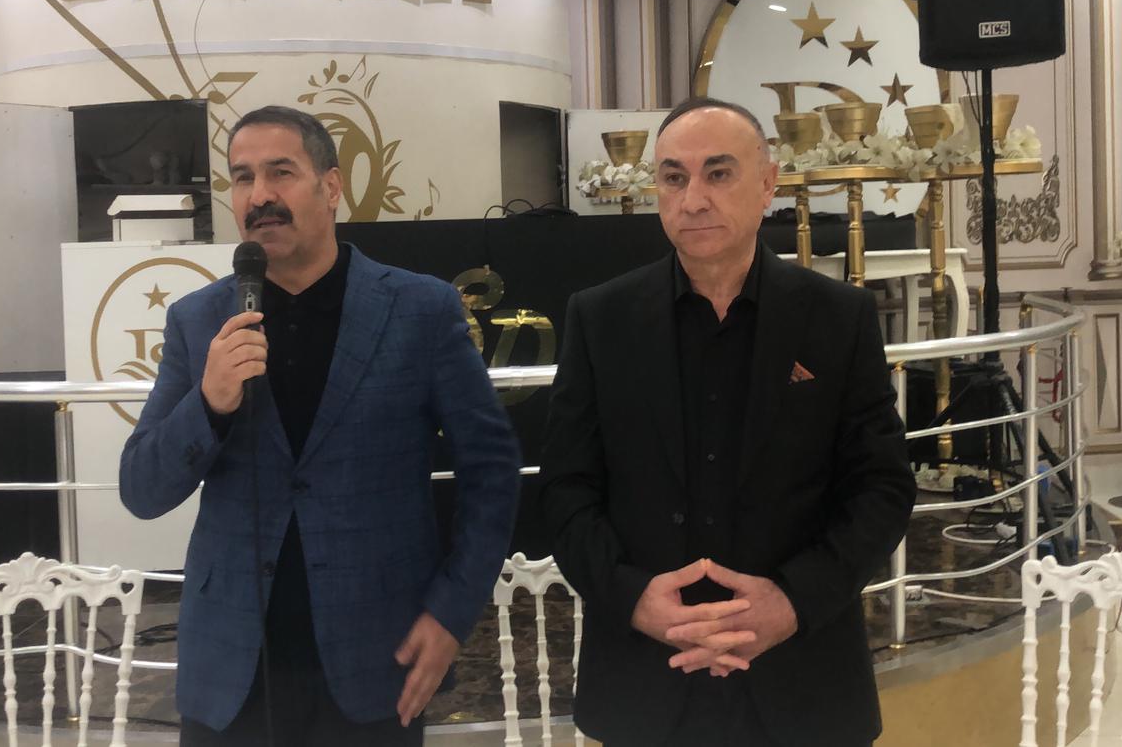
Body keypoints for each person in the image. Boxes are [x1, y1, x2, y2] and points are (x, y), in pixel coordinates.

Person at [120, 106, 521, 746]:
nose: (260, 195)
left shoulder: (419, 310)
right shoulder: (198, 321)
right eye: (243, 177)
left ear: (331, 187)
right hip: (230, 666)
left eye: (281, 172)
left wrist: (451, 614)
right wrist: (209, 402)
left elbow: (492, 472)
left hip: (378, 659)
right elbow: (141, 489)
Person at [540, 97, 915, 746]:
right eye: (673, 177)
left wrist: (791, 602)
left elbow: (881, 489)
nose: (693, 200)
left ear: (768, 183)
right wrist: (634, 599)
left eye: (718, 173)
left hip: (802, 681)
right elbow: (565, 490)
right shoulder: (599, 319)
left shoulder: (838, 318)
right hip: (646, 681)